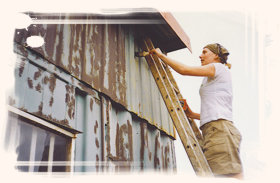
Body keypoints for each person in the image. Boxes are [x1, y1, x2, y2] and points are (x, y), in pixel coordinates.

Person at [150, 43, 243, 179]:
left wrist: (160, 55)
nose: (200, 55)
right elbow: (215, 110)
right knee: (223, 175)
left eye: (205, 52)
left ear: (216, 56)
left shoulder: (217, 68)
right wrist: (192, 114)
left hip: (219, 129)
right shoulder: (211, 76)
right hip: (215, 129)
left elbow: (183, 70)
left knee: (229, 175)